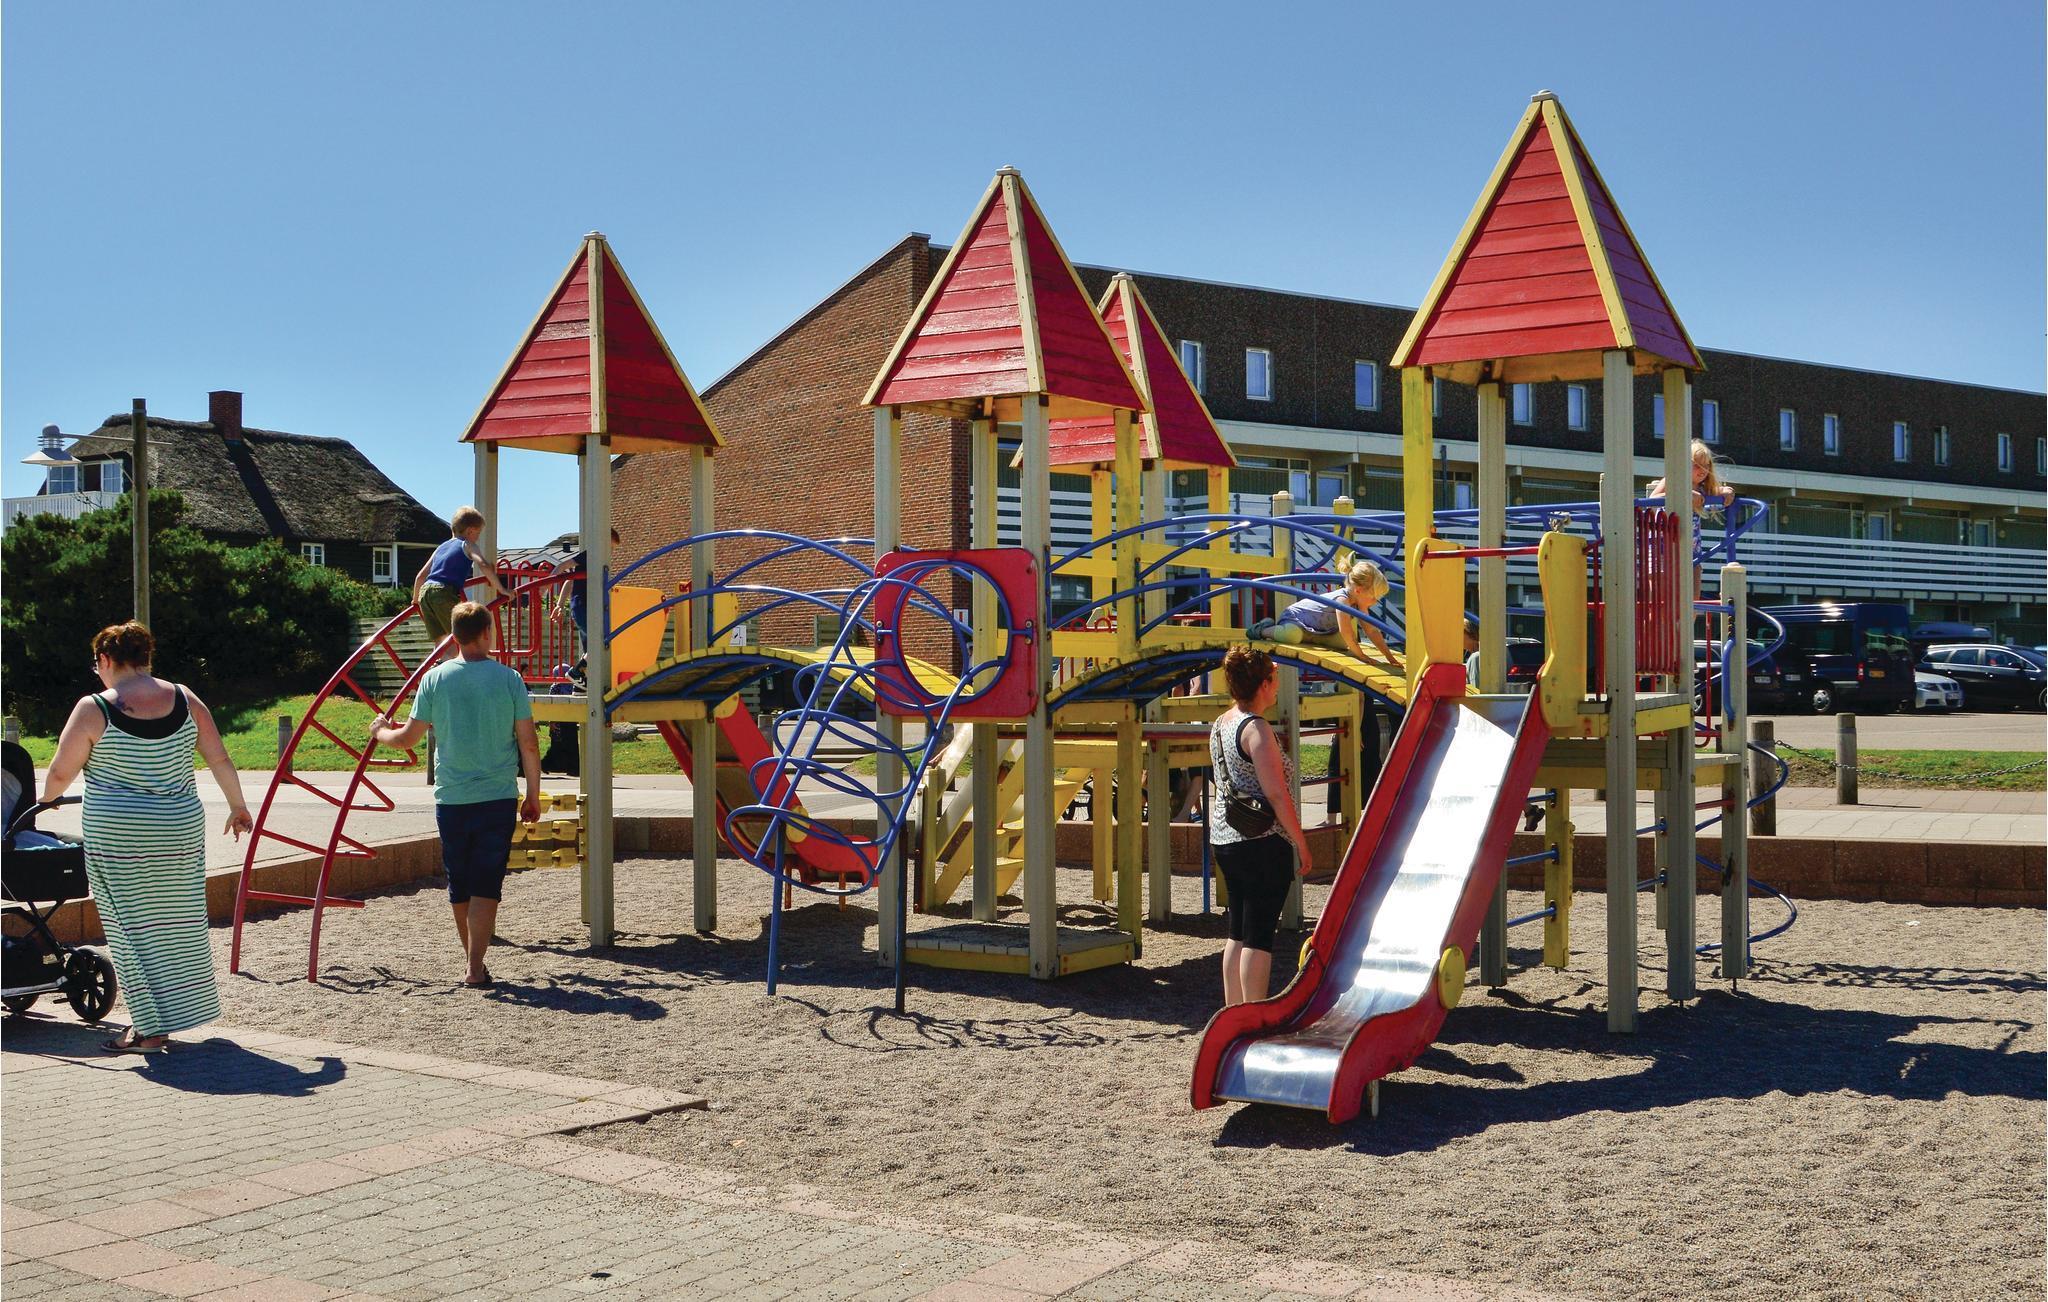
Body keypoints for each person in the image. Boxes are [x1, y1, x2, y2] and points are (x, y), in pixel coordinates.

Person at [40, 623, 252, 1053]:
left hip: (120, 835)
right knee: (178, 923)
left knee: (129, 926)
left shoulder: (95, 707)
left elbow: (61, 772)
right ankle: (181, 1010)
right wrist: (238, 806)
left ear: (105, 660)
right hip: (179, 830)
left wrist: (47, 800)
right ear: (146, 657)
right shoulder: (186, 699)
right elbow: (219, 758)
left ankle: (149, 1030)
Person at [370, 602, 540, 988]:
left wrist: (380, 730)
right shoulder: (509, 679)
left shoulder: (434, 679)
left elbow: (407, 738)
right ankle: (475, 967)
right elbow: (528, 744)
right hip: (496, 797)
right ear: (486, 633)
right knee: (486, 884)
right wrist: (532, 794)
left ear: (455, 637)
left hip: (451, 800)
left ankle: (472, 962)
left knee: (459, 883)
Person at [1208, 646, 1313, 1007]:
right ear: (1264, 684)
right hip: (1262, 841)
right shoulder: (1256, 729)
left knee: (1237, 931)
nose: (1278, 684)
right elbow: (1277, 795)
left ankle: (1233, 1014)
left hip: (1226, 836)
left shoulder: (1221, 724)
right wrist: (1300, 842)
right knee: (1259, 936)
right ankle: (1252, 1016)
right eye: (1275, 677)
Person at [1249, 560, 1394, 664]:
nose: (1375, 601)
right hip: (1296, 619)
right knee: (1292, 636)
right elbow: (1346, 631)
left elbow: (1372, 631)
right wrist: (1361, 656)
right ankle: (1263, 629)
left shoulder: (1360, 604)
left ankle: (1311, 637)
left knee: (1342, 644)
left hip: (1318, 629)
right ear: (1358, 591)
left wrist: (1389, 656)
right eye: (1374, 597)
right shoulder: (1342, 600)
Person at [414, 507, 511, 644]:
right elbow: (483, 565)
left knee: (441, 640)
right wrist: (502, 589)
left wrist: (415, 600)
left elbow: (421, 576)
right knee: (461, 635)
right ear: (470, 531)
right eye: (478, 533)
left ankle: (443, 657)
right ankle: (465, 657)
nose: (478, 538)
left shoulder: (441, 547)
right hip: (443, 592)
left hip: (425, 592)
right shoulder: (468, 545)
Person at [552, 528, 622, 655]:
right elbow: (563, 566)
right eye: (610, 548)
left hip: (588, 609)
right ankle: (580, 667)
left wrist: (560, 604)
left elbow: (570, 581)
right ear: (601, 543)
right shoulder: (590, 555)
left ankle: (585, 667)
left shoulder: (599, 563)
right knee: (599, 643)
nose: (611, 553)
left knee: (590, 650)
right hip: (582, 607)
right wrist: (546, 585)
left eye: (613, 549)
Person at [1648, 439, 1736, 514]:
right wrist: (1683, 495)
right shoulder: (1673, 480)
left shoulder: (1702, 488)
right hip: (1668, 528)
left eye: (1706, 465)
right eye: (1697, 465)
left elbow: (1716, 491)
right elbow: (1652, 499)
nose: (1703, 470)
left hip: (1691, 530)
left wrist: (1727, 491)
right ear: (1683, 465)